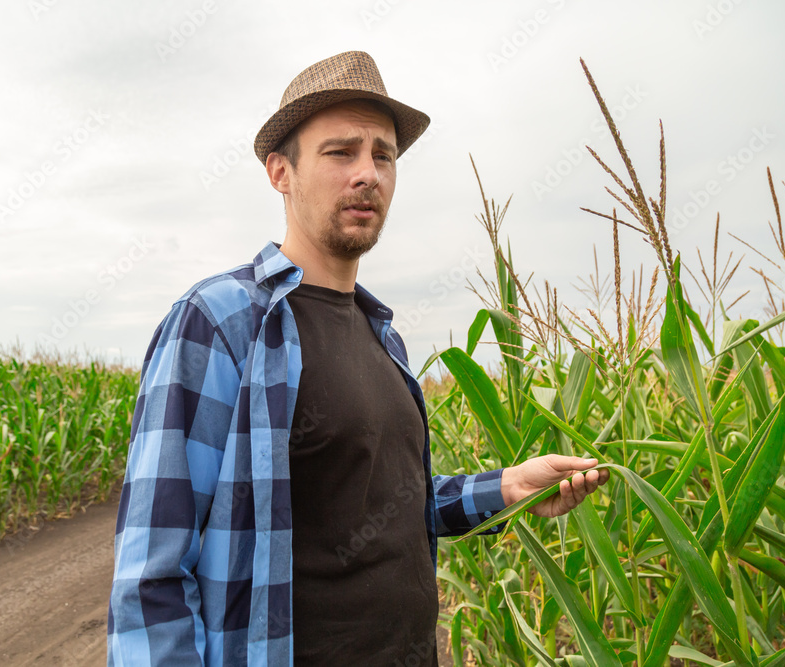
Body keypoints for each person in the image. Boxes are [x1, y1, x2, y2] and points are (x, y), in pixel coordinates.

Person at [107, 50, 608, 666]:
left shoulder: (383, 337)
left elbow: (386, 507)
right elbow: (153, 573)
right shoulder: (221, 322)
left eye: (384, 155)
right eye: (340, 152)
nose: (367, 173)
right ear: (280, 172)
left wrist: (506, 488)